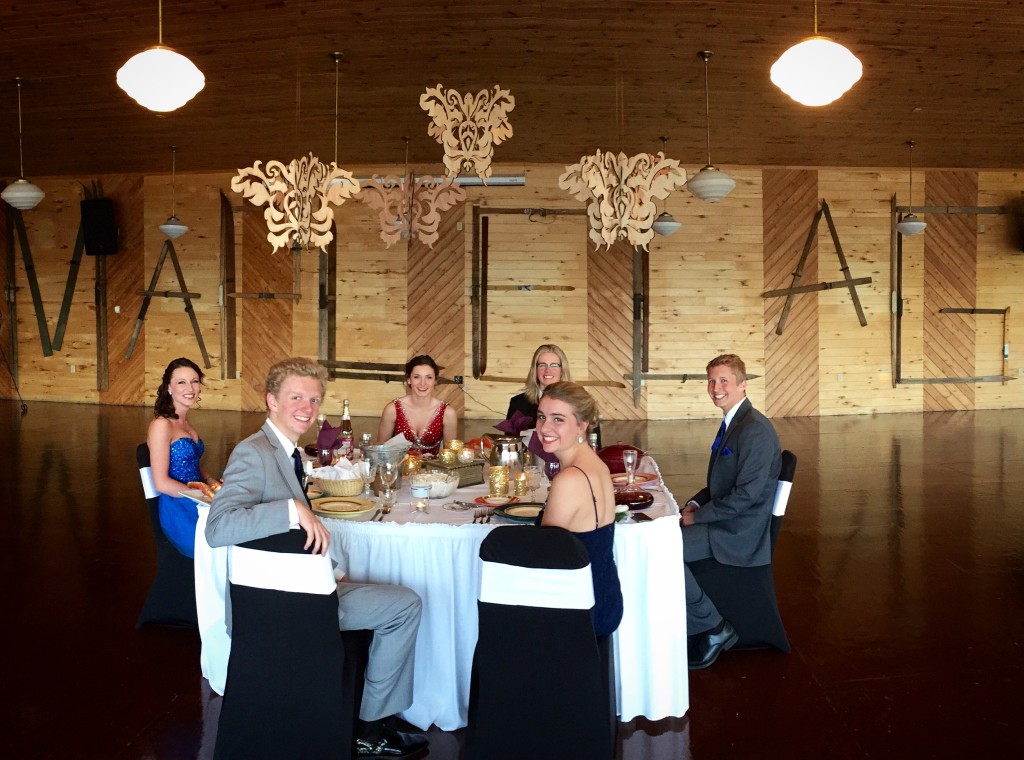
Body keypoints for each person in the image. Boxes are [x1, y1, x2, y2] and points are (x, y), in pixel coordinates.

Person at [206, 357, 427, 759]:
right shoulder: (253, 453)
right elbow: (218, 528)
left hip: (302, 590)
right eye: (296, 397)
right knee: (406, 606)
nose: (306, 408)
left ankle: (369, 725)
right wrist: (293, 508)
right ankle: (370, 730)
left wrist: (333, 568)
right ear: (271, 401)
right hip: (285, 608)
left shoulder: (285, 452)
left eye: (313, 399)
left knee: (399, 601)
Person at [681, 354, 781, 670]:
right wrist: (696, 502)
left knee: (662, 552)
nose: (716, 387)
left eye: (724, 380)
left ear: (742, 385)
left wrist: (697, 518)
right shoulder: (733, 423)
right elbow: (721, 484)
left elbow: (747, 496)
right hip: (725, 520)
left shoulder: (755, 430)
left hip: (738, 531)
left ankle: (713, 627)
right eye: (711, 381)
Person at [147, 357, 220, 558]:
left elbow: (192, 464)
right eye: (181, 382)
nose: (190, 388)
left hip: (197, 500)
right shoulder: (162, 425)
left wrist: (211, 481)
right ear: (169, 387)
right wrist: (204, 496)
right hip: (179, 509)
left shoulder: (185, 422)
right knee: (227, 541)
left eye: (194, 381)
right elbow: (161, 483)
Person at [377, 355, 457, 455]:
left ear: (435, 381)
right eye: (416, 377)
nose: (422, 383)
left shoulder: (448, 413)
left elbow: (451, 455)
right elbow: (380, 451)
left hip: (433, 469)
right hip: (399, 469)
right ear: (409, 379)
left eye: (429, 377)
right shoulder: (392, 409)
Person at [505, 343, 572, 423]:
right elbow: (510, 435)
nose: (547, 370)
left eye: (554, 365)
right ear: (535, 370)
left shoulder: (575, 402)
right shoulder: (518, 403)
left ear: (562, 370)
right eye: (542, 365)